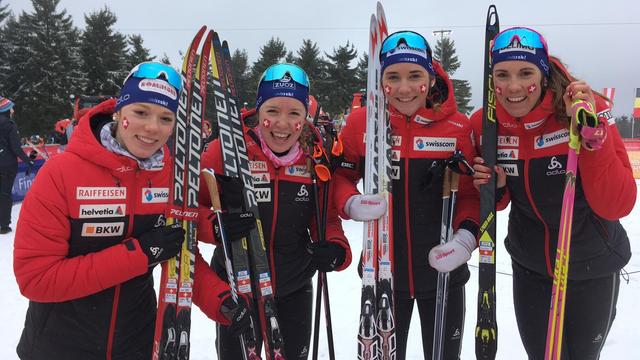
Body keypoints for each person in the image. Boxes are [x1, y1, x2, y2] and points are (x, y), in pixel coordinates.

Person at [13, 61, 250, 359]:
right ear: (119, 111)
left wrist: (221, 302)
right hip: (58, 347)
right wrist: (139, 254)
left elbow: (180, 256)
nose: (152, 127)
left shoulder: (169, 176)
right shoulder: (61, 173)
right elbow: (37, 279)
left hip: (137, 344)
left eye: (166, 118)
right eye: (140, 112)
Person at [471, 27, 635, 360]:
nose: (513, 87)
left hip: (592, 264)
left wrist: (591, 137)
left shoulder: (586, 107)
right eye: (502, 74)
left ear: (543, 74)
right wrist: (497, 187)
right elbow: (497, 203)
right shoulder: (486, 124)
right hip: (531, 266)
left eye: (525, 73)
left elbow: (617, 203)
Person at [332, 31, 479, 359]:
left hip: (444, 276)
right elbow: (339, 177)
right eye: (392, 77)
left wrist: (465, 239)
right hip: (382, 276)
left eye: (415, 76)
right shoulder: (361, 124)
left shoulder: (457, 127)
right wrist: (351, 203)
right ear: (379, 80)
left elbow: (471, 195)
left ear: (431, 76)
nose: (404, 88)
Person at [198, 63, 351, 359]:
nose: (282, 124)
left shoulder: (313, 157)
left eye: (294, 113)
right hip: (238, 288)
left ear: (305, 117)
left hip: (294, 285)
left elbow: (326, 218)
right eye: (272, 112)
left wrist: (336, 248)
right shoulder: (227, 151)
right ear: (258, 112)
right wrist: (217, 226)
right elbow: (194, 210)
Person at [0, 97, 33, 235]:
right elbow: (16, 147)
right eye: (12, 107)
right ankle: (4, 225)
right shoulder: (9, 125)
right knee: (5, 193)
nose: (13, 110)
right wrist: (27, 161)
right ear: (7, 110)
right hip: (6, 164)